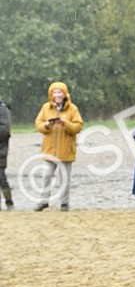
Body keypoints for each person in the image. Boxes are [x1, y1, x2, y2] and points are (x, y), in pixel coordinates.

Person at [33, 81, 83, 210]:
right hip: (49, 150)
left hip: (66, 150)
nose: (57, 95)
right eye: (54, 92)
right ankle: (44, 201)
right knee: (47, 175)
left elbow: (78, 126)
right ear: (51, 94)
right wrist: (46, 125)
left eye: (59, 92)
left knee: (65, 178)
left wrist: (65, 123)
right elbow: (38, 124)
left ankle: (64, 203)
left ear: (65, 94)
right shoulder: (46, 108)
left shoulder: (73, 109)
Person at [0, 96, 12, 209]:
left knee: (1, 177)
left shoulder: (3, 108)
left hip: (1, 149)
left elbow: (5, 130)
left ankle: (9, 202)